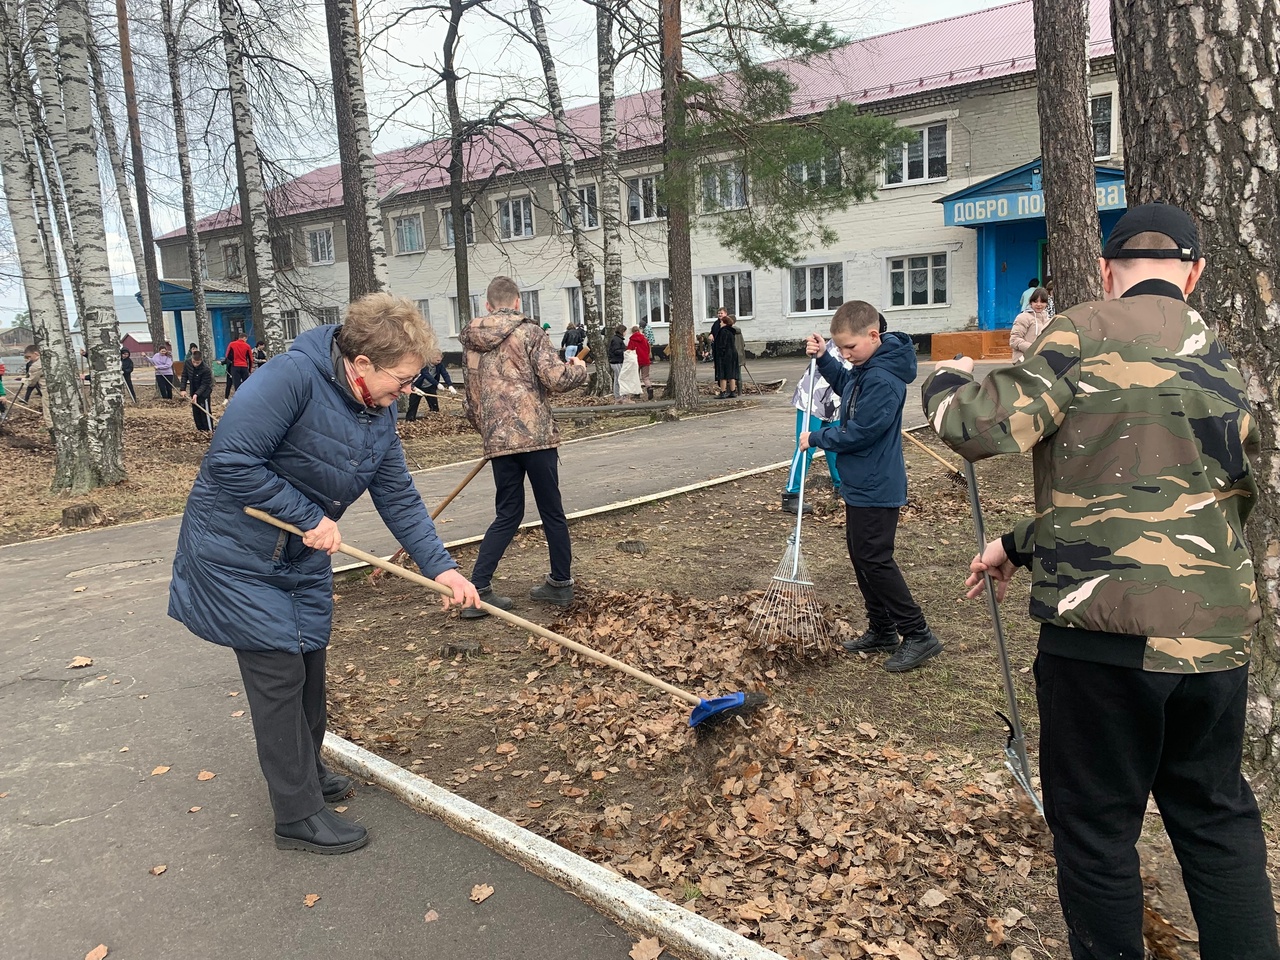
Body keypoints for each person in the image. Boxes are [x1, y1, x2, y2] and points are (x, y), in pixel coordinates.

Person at [922, 203, 1279, 959]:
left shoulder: (1082, 330)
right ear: (1195, 272)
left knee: (1096, 831)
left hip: (1104, 639)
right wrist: (1019, 542)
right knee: (1217, 821)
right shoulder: (1224, 357)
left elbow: (977, 429)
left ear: (1110, 271)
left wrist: (944, 385)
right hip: (1213, 640)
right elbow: (1175, 498)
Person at [168, 293, 480, 854]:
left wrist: (445, 570)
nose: (406, 392)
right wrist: (307, 514)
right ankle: (296, 813)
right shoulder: (292, 378)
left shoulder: (375, 412)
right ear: (361, 365)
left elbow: (400, 498)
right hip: (237, 556)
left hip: (301, 554)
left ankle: (306, 771)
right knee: (279, 676)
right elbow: (230, 460)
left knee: (310, 663)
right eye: (402, 380)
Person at [801, 301, 942, 672]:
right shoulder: (867, 369)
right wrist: (824, 360)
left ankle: (918, 633)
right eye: (840, 349)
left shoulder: (882, 378)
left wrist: (817, 438)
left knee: (876, 560)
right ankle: (882, 629)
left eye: (850, 348)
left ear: (873, 335)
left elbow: (861, 432)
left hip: (878, 482)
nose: (846, 355)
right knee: (862, 555)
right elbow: (847, 385)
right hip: (862, 480)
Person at [458, 276, 589, 618]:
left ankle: (480, 588)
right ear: (517, 302)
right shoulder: (530, 332)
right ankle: (560, 584)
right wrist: (579, 369)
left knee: (507, 513)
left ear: (488, 305)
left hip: (500, 442)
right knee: (551, 511)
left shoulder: (471, 342)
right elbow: (556, 379)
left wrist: (489, 432)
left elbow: (471, 401)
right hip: (537, 438)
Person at [782, 338, 847, 514]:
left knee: (835, 445)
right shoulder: (845, 341)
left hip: (834, 402)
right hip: (813, 399)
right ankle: (791, 494)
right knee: (805, 446)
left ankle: (841, 488)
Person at [1008, 285, 1051, 363]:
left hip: (1040, 362)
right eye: (1035, 301)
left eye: (1042, 302)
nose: (1039, 304)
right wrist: (1033, 349)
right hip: (1023, 361)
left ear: (1046, 304)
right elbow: (1014, 340)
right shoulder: (1023, 317)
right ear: (1031, 302)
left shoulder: (1048, 319)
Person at [406, 356, 455, 420]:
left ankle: (435, 419)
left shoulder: (439, 365)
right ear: (431, 358)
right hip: (417, 387)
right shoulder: (423, 364)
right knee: (413, 405)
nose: (439, 362)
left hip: (430, 387)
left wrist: (450, 385)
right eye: (437, 360)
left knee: (434, 405)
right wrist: (437, 384)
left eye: (440, 360)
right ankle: (410, 420)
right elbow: (426, 375)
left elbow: (445, 374)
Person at [179, 348, 214, 432]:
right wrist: (182, 389)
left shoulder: (205, 369)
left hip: (204, 392)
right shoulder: (187, 363)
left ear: (201, 360)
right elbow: (184, 376)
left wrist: (197, 394)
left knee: (204, 412)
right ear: (191, 359)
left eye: (197, 363)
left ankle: (209, 429)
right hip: (193, 390)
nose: (195, 364)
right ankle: (200, 429)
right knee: (196, 411)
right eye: (194, 362)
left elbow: (205, 384)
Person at [712, 313, 741, 398]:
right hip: (732, 354)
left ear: (725, 323)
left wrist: (718, 355)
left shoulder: (723, 332)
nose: (720, 324)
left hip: (724, 355)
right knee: (731, 374)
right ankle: (733, 391)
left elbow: (722, 345)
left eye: (721, 322)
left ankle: (723, 392)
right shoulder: (732, 332)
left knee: (723, 374)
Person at [627, 324, 653, 400]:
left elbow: (629, 350)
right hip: (645, 360)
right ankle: (649, 388)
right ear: (639, 330)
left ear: (632, 332)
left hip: (636, 361)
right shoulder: (645, 339)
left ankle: (637, 394)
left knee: (636, 377)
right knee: (645, 377)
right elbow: (648, 349)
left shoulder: (632, 340)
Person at [223, 333, 254, 398]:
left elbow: (227, 356)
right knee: (246, 384)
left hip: (235, 366)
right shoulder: (247, 346)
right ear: (244, 338)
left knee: (237, 385)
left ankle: (239, 398)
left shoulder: (231, 344)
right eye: (246, 339)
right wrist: (250, 369)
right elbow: (251, 359)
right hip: (244, 367)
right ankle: (247, 397)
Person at [607, 323, 626, 401]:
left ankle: (617, 395)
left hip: (615, 361)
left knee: (617, 378)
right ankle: (620, 396)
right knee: (620, 379)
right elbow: (616, 351)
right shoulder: (617, 340)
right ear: (622, 331)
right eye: (625, 331)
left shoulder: (616, 339)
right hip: (617, 361)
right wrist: (625, 351)